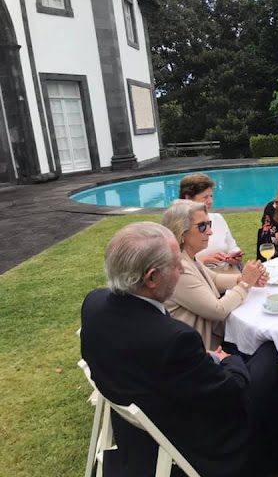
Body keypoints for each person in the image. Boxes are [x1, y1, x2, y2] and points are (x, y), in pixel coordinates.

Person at [80, 222, 252, 476]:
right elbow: (228, 392)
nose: (182, 268)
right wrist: (230, 360)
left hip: (137, 425)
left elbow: (145, 353)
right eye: (176, 264)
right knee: (267, 363)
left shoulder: (94, 302)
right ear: (151, 278)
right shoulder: (173, 339)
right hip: (191, 441)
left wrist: (200, 359)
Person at [162, 199, 267, 351]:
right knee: (266, 347)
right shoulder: (178, 268)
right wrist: (245, 284)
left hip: (212, 339)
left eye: (209, 224)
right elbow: (218, 310)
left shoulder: (188, 257)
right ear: (181, 231)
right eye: (202, 226)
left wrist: (244, 278)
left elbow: (214, 279)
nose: (210, 232)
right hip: (204, 350)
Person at [179, 173, 243, 275]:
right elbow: (176, 263)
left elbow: (232, 247)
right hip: (200, 276)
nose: (210, 201)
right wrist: (205, 260)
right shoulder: (179, 225)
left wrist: (234, 256)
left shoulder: (217, 218)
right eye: (205, 197)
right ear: (188, 198)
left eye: (211, 196)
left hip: (228, 272)